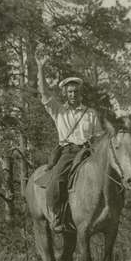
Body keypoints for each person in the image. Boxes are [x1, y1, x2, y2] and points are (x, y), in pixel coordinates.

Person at [38, 71, 107, 233]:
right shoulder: (59, 111)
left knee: (109, 175)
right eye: (70, 92)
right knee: (57, 179)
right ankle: (56, 215)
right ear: (65, 94)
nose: (73, 94)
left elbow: (98, 135)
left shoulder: (90, 113)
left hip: (89, 151)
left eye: (76, 91)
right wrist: (41, 68)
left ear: (80, 93)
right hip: (68, 151)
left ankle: (109, 212)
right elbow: (44, 92)